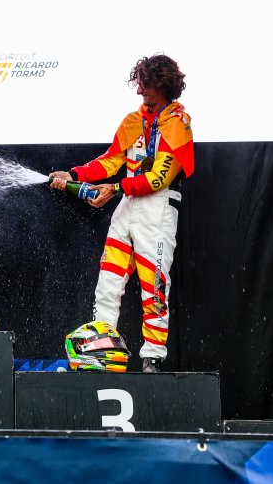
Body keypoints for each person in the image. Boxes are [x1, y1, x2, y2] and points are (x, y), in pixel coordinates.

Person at [50, 54, 193, 372]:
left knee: (154, 287)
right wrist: (74, 174)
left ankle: (152, 358)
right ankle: (101, 350)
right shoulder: (133, 120)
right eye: (139, 84)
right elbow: (111, 160)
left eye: (144, 84)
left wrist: (114, 189)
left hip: (158, 208)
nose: (139, 91)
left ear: (161, 84)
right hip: (128, 204)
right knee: (108, 281)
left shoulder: (178, 123)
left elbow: (158, 178)